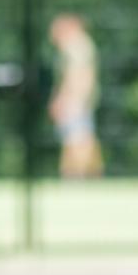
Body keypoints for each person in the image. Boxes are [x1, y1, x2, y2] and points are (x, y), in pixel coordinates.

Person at [48, 14, 104, 178]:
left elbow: (77, 76)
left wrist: (67, 100)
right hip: (79, 98)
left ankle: (77, 174)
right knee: (82, 136)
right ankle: (86, 174)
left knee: (78, 138)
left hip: (76, 99)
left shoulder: (77, 46)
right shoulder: (81, 45)